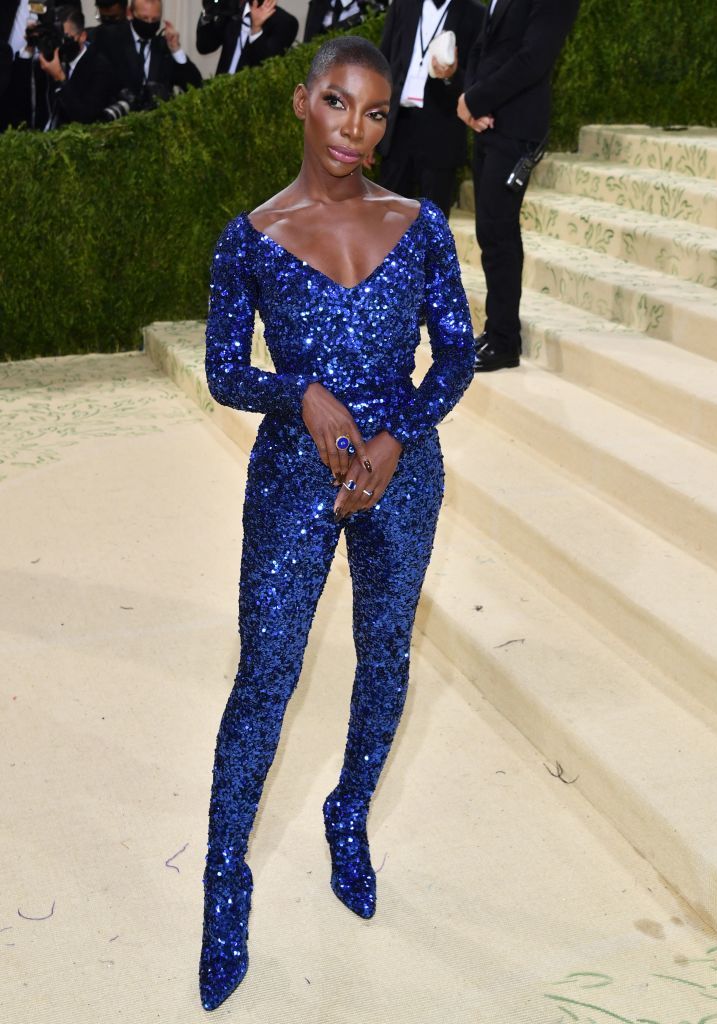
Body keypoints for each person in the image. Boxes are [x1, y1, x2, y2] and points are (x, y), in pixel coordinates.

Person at [199, 33, 475, 1012]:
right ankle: (225, 880)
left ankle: (349, 811)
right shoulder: (250, 236)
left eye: (374, 113)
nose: (355, 130)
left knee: (386, 652)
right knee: (266, 675)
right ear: (301, 104)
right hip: (293, 476)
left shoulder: (423, 226)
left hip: (402, 472)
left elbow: (454, 357)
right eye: (337, 105)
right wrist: (301, 394)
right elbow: (226, 369)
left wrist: (397, 434)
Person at [458, 0, 579, 371]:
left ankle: (505, 342)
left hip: (517, 126)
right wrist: (470, 99)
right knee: (488, 231)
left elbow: (533, 59)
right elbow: (482, 46)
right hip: (489, 121)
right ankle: (497, 330)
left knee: (499, 231)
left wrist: (477, 99)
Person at [378, 0, 484, 218]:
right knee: (387, 223)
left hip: (442, 132)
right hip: (398, 127)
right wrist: (372, 121)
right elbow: (382, 63)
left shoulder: (475, 14)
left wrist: (451, 76)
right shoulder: (403, 5)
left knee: (432, 228)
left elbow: (477, 81)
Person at [7, 5, 114, 129]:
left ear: (82, 37)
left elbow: (84, 117)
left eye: (65, 38)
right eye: (56, 38)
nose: (60, 45)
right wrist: (30, 46)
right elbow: (18, 92)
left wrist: (60, 79)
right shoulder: (50, 59)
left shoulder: (99, 66)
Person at [93, 0, 202, 104]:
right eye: (144, 18)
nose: (149, 23)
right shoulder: (110, 39)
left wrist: (176, 50)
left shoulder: (164, 47)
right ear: (130, 13)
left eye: (154, 20)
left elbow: (194, 86)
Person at [196, 0, 297, 76]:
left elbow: (267, 66)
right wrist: (207, 13)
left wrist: (256, 29)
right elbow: (205, 47)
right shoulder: (232, 10)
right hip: (221, 94)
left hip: (251, 99)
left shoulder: (285, 22)